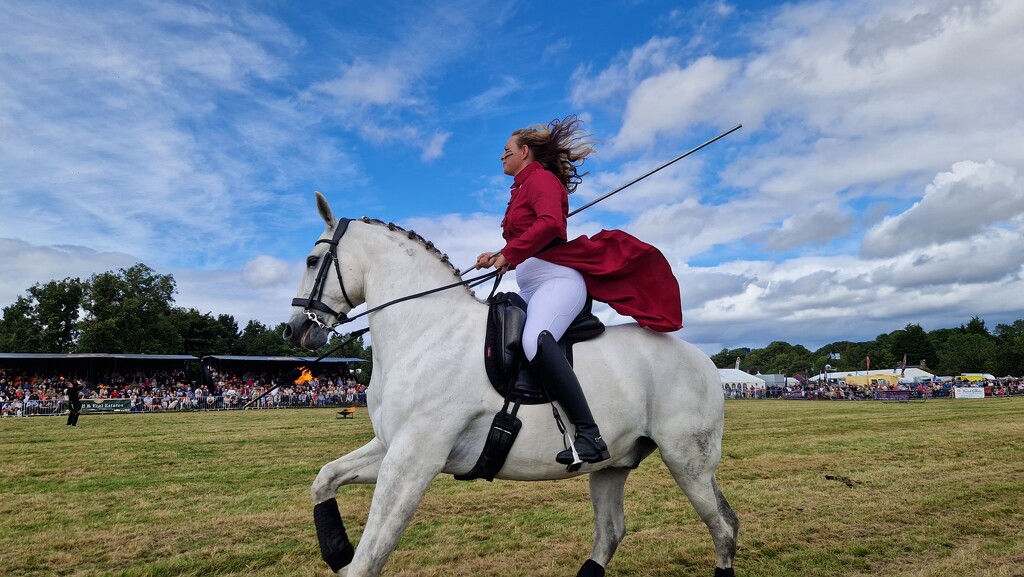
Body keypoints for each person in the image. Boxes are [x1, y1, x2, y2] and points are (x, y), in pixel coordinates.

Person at [476, 116, 683, 466]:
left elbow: (551, 225)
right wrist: (501, 257)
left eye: (507, 151)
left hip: (558, 280)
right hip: (533, 280)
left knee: (534, 340)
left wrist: (508, 253)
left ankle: (589, 435)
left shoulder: (541, 179)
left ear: (525, 152)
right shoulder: (522, 188)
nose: (501, 156)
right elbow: (530, 238)